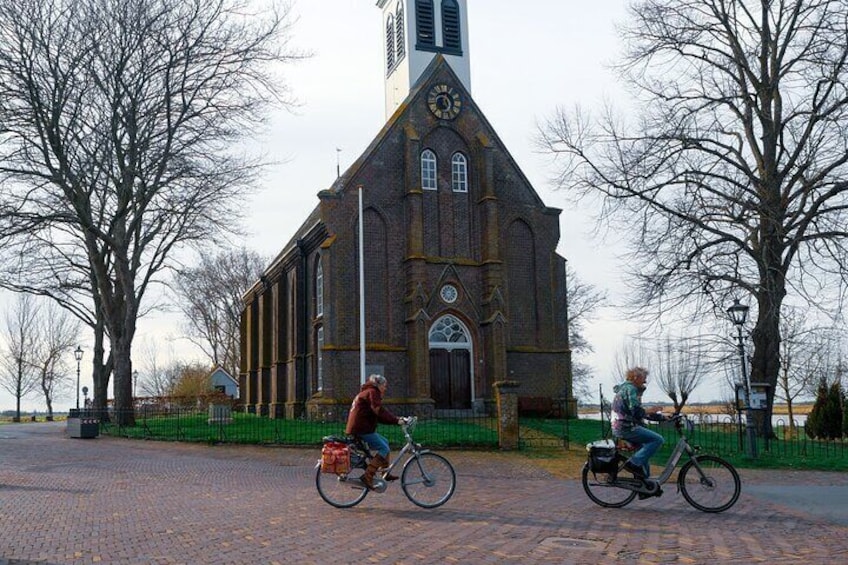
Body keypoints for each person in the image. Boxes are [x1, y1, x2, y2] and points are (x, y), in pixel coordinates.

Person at [345, 374, 405, 489]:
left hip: (359, 427)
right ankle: (367, 476)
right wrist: (397, 420)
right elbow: (378, 410)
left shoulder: (367, 392)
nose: (385, 388)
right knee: (384, 448)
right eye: (384, 386)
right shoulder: (373, 392)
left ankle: (384, 473)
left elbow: (378, 414)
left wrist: (395, 420)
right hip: (362, 429)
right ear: (379, 385)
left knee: (385, 442)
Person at [611, 366, 667, 480]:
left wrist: (662, 417)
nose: (645, 381)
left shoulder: (624, 388)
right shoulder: (630, 389)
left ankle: (644, 484)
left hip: (620, 427)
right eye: (644, 378)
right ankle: (633, 463)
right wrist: (652, 410)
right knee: (658, 439)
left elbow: (639, 413)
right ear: (636, 377)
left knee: (644, 449)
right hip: (626, 428)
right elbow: (636, 411)